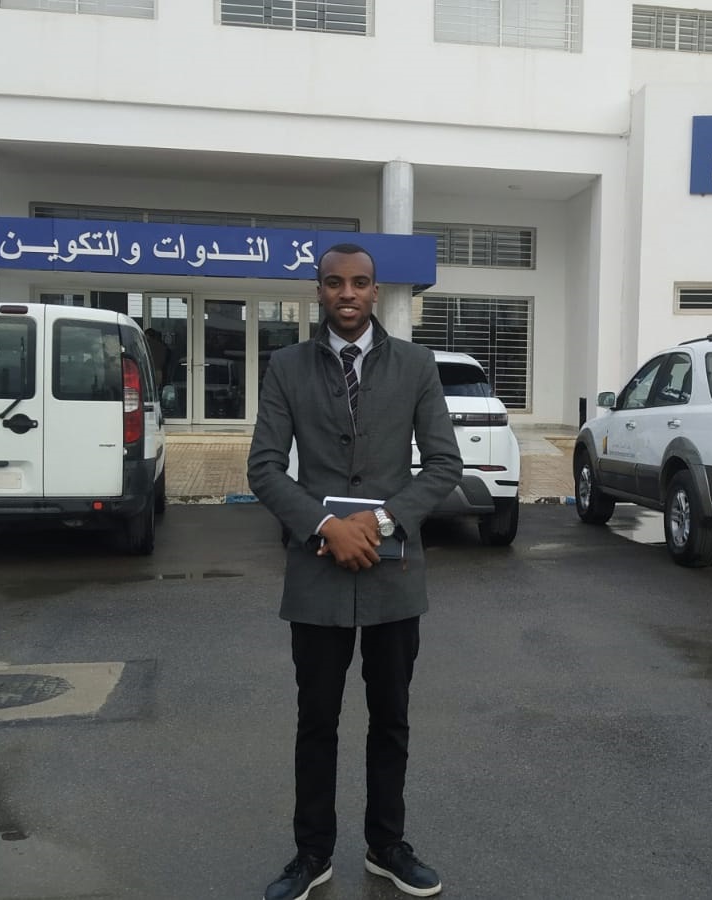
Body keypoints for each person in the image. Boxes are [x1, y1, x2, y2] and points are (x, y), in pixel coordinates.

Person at [248, 242, 461, 900]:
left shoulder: (417, 365)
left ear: (376, 291)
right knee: (316, 721)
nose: (348, 293)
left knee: (390, 719)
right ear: (319, 290)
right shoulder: (287, 366)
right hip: (317, 574)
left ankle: (386, 846)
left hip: (395, 573)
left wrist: (382, 521)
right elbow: (264, 467)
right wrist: (326, 525)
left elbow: (444, 465)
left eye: (360, 283)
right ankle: (311, 854)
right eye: (335, 282)